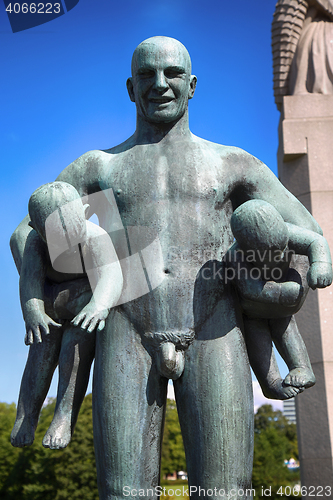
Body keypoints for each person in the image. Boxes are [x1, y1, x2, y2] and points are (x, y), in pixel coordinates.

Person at [10, 37, 332, 499]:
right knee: (122, 491)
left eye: (173, 74)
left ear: (193, 85)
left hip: (213, 329)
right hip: (125, 326)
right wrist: (70, 283)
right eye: (147, 75)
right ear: (129, 87)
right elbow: (26, 234)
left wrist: (263, 282)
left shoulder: (230, 163)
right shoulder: (101, 166)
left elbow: (303, 231)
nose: (159, 84)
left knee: (224, 491)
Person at [11, 181, 123, 450]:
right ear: (35, 229)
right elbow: (29, 283)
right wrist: (33, 312)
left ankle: (63, 417)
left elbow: (111, 275)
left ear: (84, 213)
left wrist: (99, 305)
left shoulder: (95, 237)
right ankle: (26, 417)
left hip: (83, 303)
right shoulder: (36, 245)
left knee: (73, 352)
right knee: (40, 353)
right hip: (49, 304)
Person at [225, 199, 332, 400]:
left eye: (283, 247)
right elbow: (251, 289)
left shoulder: (289, 232)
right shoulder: (235, 255)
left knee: (287, 330)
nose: (281, 254)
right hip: (254, 310)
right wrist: (283, 293)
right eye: (271, 253)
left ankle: (302, 368)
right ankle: (271, 384)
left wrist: (321, 264)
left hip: (280, 310)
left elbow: (316, 242)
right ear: (248, 249)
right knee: (259, 343)